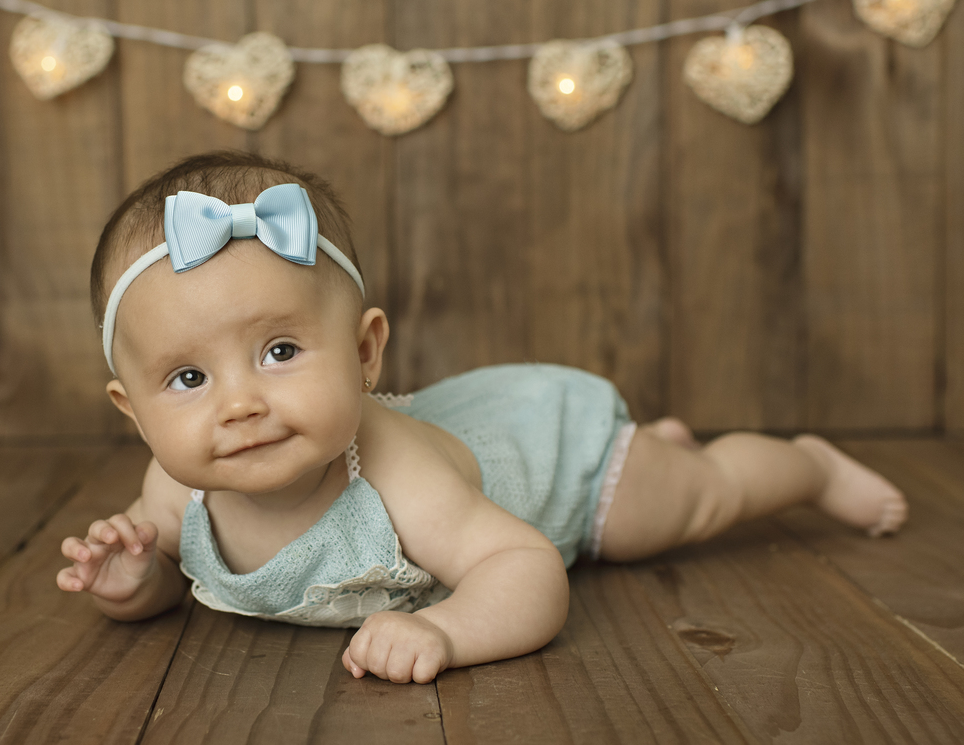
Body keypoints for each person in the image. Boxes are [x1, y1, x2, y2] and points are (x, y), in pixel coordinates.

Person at [58, 150, 907, 685]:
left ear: (364, 354)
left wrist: (447, 631)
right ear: (133, 412)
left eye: (280, 352)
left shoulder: (395, 472)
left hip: (564, 466)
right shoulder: (173, 489)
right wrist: (134, 585)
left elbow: (527, 566)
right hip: (489, 446)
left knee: (691, 498)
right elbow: (173, 572)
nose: (240, 402)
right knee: (673, 471)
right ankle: (670, 443)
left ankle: (806, 465)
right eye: (189, 377)